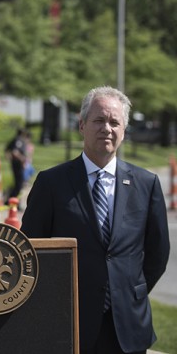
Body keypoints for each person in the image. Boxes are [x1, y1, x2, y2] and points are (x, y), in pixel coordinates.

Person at [21, 86, 170, 354]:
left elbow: (158, 253)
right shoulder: (51, 183)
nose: (107, 128)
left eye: (115, 122)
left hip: (128, 323)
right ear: (82, 125)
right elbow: (31, 249)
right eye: (99, 120)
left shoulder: (147, 184)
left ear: (124, 130)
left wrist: (129, 291)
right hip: (69, 320)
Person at [5, 128, 28, 202]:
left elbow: (7, 149)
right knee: (19, 184)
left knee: (18, 183)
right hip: (18, 164)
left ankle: (12, 200)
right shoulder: (19, 141)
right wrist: (22, 159)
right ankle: (13, 201)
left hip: (17, 164)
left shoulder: (15, 139)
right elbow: (15, 152)